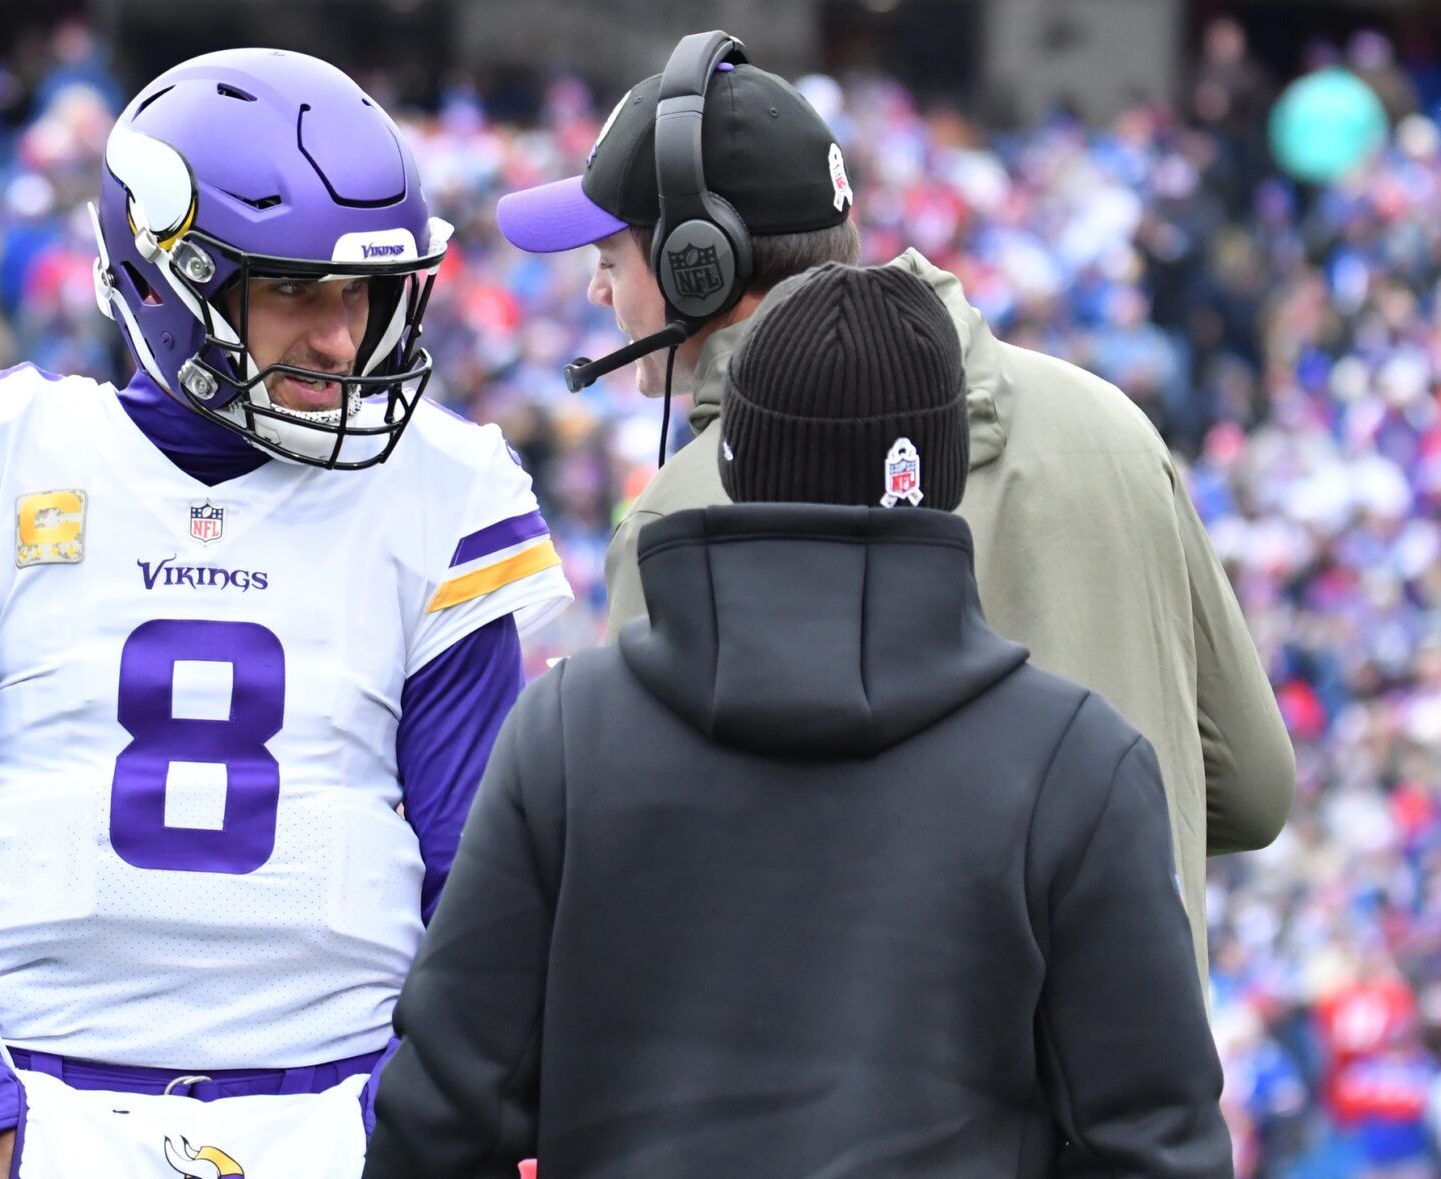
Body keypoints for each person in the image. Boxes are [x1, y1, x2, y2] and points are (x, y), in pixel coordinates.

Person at [0, 49, 571, 1179]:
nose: (339, 339)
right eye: (294, 290)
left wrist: (388, 1132)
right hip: (48, 1096)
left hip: (337, 1106)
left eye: (362, 293)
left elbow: (480, 891)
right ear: (171, 281)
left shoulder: (442, 489)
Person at [365, 265, 1234, 1179]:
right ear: (939, 477)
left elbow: (441, 1117)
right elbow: (1154, 1146)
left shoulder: (569, 732)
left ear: (734, 457)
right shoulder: (1079, 764)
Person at [494, 30, 1294, 981]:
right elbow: (1252, 788)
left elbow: (645, 880)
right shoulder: (1112, 424)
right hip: (1139, 1097)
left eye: (612, 259)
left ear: (697, 265)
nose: (594, 288)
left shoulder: (692, 507)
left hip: (878, 1110)